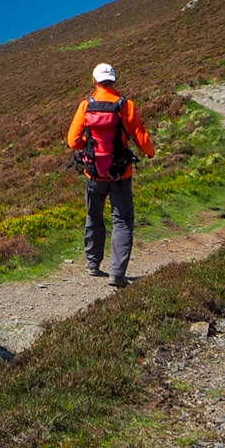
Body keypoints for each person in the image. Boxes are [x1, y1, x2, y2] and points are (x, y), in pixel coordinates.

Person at [66, 63, 156, 288]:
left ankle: (93, 264)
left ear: (94, 82)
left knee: (93, 217)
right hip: (120, 173)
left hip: (94, 173)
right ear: (114, 81)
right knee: (123, 221)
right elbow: (141, 137)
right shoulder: (126, 105)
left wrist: (91, 144)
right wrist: (150, 153)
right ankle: (117, 273)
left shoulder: (86, 105)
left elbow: (72, 141)